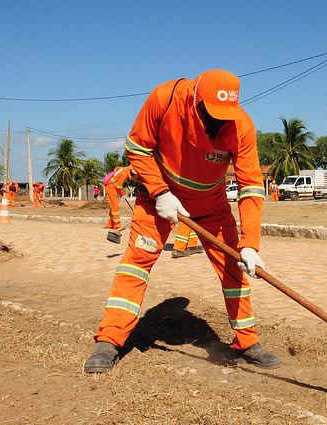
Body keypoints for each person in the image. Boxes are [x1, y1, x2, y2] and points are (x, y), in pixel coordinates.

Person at [84, 69, 280, 373]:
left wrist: (251, 245)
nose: (218, 123)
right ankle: (109, 340)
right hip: (158, 199)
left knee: (233, 268)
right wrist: (161, 192)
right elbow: (137, 147)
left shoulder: (241, 127)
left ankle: (246, 341)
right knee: (136, 261)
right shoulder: (165, 98)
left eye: (225, 116)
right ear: (194, 99)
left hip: (211, 205)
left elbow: (251, 186)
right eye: (211, 114)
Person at [104, 165, 135, 230]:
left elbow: (116, 167)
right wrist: (123, 194)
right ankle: (117, 225)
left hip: (110, 187)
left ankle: (110, 224)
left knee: (112, 207)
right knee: (115, 207)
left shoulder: (123, 169)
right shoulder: (125, 174)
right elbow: (119, 186)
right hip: (111, 188)